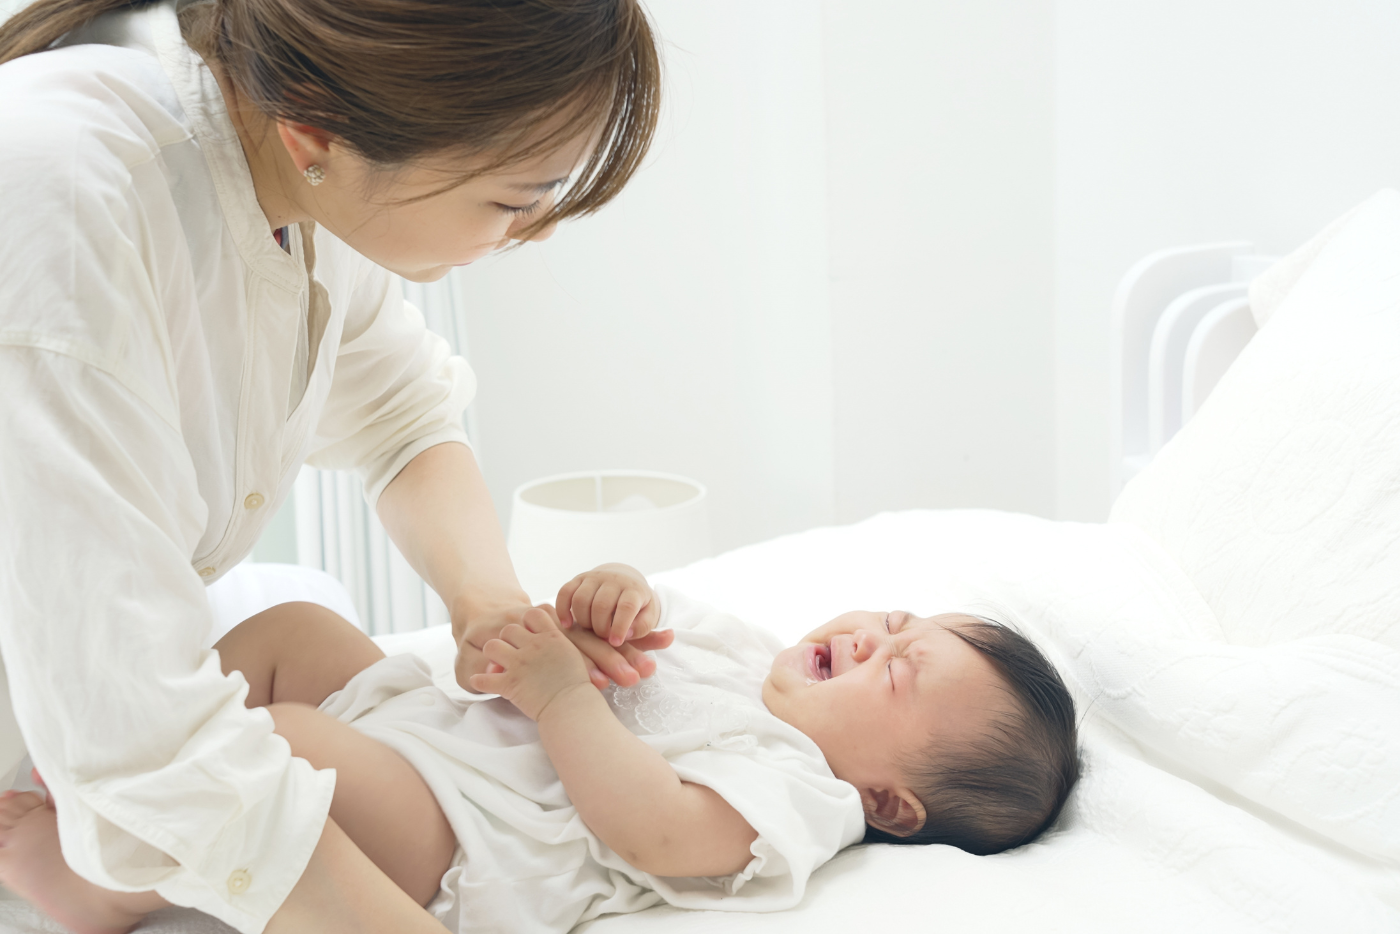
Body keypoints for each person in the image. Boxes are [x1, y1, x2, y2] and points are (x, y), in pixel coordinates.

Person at [0, 0, 663, 929]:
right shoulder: (59, 203)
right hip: (54, 725)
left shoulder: (285, 161)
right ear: (317, 130)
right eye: (516, 199)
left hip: (77, 693)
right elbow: (139, 739)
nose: (539, 227)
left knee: (307, 625)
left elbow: (401, 415)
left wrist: (495, 612)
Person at [0, 565, 1081, 934]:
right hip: (436, 727)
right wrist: (604, 608)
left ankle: (100, 882)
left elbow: (656, 828)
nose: (873, 635)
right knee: (293, 630)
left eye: (898, 671)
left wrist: (564, 691)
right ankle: (121, 739)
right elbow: (624, 639)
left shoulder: (805, 790)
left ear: (891, 801)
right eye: (895, 622)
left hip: (460, 836)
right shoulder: (747, 656)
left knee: (277, 749)